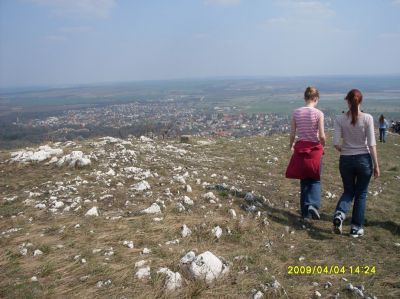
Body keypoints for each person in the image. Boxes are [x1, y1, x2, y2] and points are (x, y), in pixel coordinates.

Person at [333, 89, 380, 237]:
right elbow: (372, 144)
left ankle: (340, 214)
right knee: (361, 194)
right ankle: (355, 228)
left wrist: (345, 150)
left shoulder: (339, 119)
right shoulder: (368, 118)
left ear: (347, 101)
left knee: (348, 191)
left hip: (346, 159)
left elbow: (335, 143)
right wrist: (376, 165)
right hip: (364, 160)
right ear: (361, 101)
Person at [286, 86, 326, 221]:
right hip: (314, 149)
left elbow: (292, 133)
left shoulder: (296, 112)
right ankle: (313, 205)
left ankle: (305, 215)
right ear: (316, 99)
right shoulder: (319, 114)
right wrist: (323, 145)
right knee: (315, 179)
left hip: (300, 148)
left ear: (305, 98)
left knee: (304, 181)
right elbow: (321, 135)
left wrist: (290, 145)